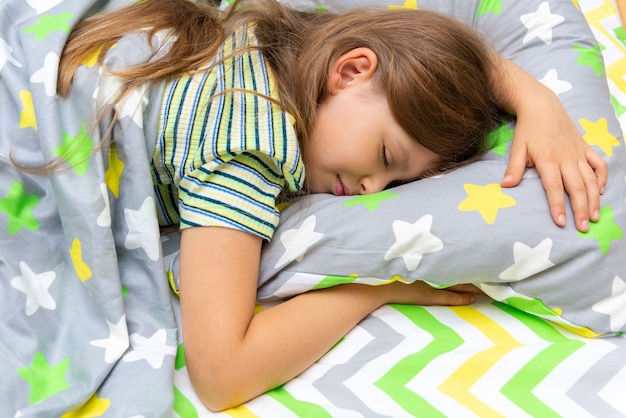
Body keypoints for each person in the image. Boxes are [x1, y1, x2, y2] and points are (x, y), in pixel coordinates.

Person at [54, 0, 606, 411]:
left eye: (394, 184)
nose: (372, 190)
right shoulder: (249, 143)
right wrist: (377, 288)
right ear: (351, 69)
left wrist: (536, 96)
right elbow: (221, 374)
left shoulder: (259, 27)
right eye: (386, 155)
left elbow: (424, 53)